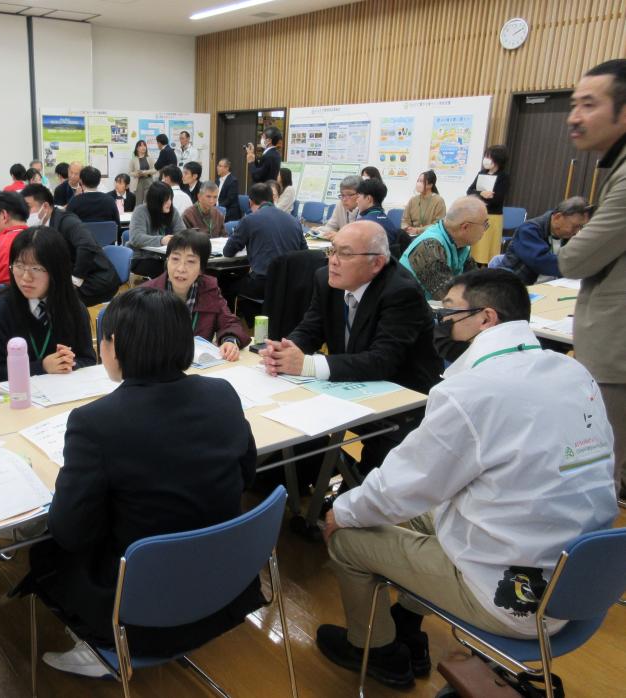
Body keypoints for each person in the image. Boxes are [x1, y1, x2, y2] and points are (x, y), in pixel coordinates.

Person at [317, 269, 618, 689]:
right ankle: (407, 626)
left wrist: (342, 512)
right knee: (419, 513)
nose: (441, 323)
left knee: (348, 536)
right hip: (577, 574)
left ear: (486, 318)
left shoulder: (474, 390)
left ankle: (378, 652)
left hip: (513, 594)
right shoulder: (572, 372)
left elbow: (405, 484)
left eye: (449, 313)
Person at [20, 286, 262, 675]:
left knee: (46, 551)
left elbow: (69, 532)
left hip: (140, 606)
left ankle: (101, 646)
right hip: (225, 583)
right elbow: (246, 474)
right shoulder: (222, 394)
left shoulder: (94, 423)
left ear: (114, 346)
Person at [260, 221, 440, 474]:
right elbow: (311, 328)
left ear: (377, 263)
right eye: (332, 250)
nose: (333, 261)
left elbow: (383, 361)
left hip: (401, 400)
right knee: (287, 428)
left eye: (344, 254)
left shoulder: (401, 291)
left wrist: (306, 364)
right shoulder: (326, 279)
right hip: (349, 387)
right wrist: (286, 349)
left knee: (375, 473)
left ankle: (349, 484)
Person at [559, 58, 626, 499]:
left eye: (588, 104)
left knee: (596, 476)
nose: (574, 117)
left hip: (616, 355)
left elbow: (573, 259)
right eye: (573, 104)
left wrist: (577, 241)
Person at [0, 226, 96, 383]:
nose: (26, 277)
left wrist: (69, 363)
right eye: (19, 266)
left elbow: (88, 360)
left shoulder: (74, 308)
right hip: (14, 394)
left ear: (57, 270)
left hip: (62, 392)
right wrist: (42, 367)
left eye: (36, 268)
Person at [143, 230, 249, 359]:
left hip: (199, 364)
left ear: (201, 269)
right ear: (167, 260)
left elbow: (229, 323)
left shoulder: (209, 290)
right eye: (175, 259)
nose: (181, 268)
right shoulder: (146, 294)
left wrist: (230, 341)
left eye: (191, 261)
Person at [22, 184, 119, 306]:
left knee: (50, 300)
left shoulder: (67, 221)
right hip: (73, 276)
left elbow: (87, 246)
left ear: (45, 206)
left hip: (96, 279)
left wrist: (74, 281)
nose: (24, 213)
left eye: (28, 207)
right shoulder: (41, 227)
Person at [222, 182, 306, 306]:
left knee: (225, 283)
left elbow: (228, 252)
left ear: (250, 202)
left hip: (263, 284)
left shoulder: (249, 220)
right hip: (290, 283)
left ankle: (240, 317)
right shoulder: (294, 221)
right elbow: (305, 252)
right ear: (273, 199)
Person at [400, 196, 487, 300]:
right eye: (485, 224)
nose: (485, 229)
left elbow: (476, 282)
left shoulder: (461, 245)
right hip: (406, 306)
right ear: (465, 227)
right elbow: (448, 296)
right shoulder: (429, 246)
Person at [499, 197, 590, 284]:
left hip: (551, 285)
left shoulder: (566, 235)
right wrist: (576, 266)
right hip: (517, 285)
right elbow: (542, 262)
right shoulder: (528, 230)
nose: (576, 232)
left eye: (580, 227)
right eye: (575, 226)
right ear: (557, 217)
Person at [127, 182, 187, 278]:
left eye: (170, 199)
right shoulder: (141, 211)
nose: (169, 203)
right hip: (141, 257)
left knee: (187, 266)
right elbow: (136, 238)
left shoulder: (172, 211)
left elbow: (183, 233)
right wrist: (161, 240)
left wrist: (176, 239)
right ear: (155, 201)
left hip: (166, 256)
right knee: (165, 268)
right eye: (166, 200)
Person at [466, 144, 510, 264]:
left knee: (488, 249)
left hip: (493, 216)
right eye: (486, 156)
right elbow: (469, 191)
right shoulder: (482, 173)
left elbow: (497, 199)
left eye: (489, 157)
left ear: (497, 159)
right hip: (479, 214)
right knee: (477, 248)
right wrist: (482, 194)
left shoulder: (503, 177)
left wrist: (480, 196)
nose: (486, 159)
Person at [355, 178, 401, 258]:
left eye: (358, 197)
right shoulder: (389, 222)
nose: (356, 201)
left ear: (368, 199)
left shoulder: (361, 224)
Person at [401, 170, 446, 236]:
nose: (418, 183)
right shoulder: (413, 200)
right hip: (411, 235)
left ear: (430, 185)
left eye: (422, 181)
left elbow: (437, 225)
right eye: (418, 181)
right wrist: (407, 228)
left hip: (430, 235)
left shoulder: (439, 201)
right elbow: (405, 220)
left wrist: (418, 230)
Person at [128, 140, 156, 207]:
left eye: (144, 145)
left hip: (149, 181)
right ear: (137, 148)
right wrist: (137, 173)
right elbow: (130, 172)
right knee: (138, 203)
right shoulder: (133, 159)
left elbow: (155, 170)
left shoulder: (150, 158)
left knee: (148, 202)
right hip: (138, 182)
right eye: (141, 145)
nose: (143, 147)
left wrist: (145, 172)